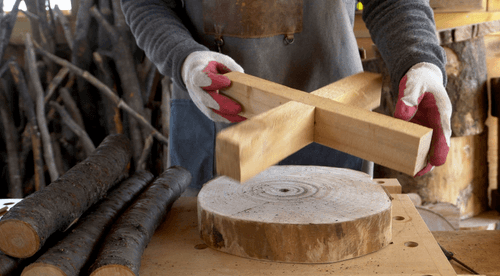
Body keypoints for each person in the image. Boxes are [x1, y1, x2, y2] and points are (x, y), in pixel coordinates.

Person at [121, 0, 452, 193]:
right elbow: (147, 2)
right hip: (212, 105)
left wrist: (420, 60)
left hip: (337, 118)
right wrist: (183, 56)